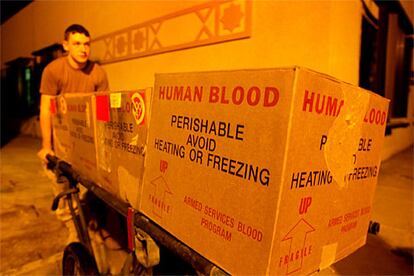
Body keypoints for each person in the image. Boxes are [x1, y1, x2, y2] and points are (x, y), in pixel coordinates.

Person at [37, 24, 109, 243]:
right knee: (65, 192)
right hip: (62, 143)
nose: (83, 49)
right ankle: (74, 234)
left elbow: (103, 113)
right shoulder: (53, 71)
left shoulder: (98, 73)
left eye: (86, 44)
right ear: (66, 45)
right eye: (77, 43)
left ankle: (94, 221)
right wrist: (46, 146)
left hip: (88, 143)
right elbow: (46, 108)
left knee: (96, 190)